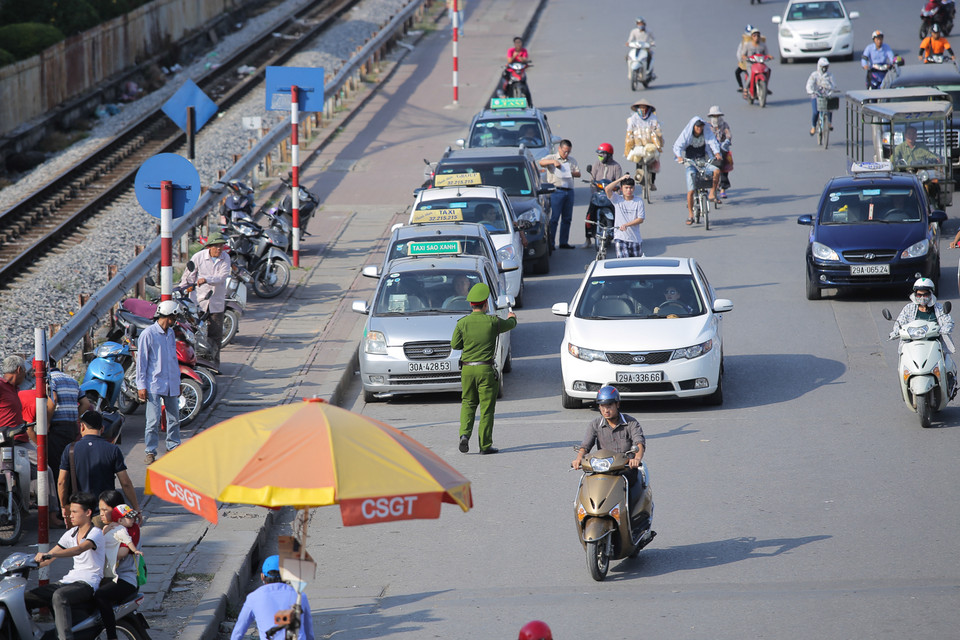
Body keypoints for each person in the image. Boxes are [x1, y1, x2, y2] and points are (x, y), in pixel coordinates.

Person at [25, 491, 105, 640]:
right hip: (68, 581)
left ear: (87, 513)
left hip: (87, 583)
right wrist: (27, 564)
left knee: (59, 596)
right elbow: (48, 558)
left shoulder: (96, 533)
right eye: (70, 512)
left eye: (75, 512)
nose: (70, 515)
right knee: (26, 598)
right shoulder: (71, 533)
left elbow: (79, 549)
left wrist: (52, 555)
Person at [451, 283, 517, 455]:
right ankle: (485, 445)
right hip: (485, 370)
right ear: (486, 303)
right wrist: (512, 316)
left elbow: (455, 345)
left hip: (467, 370)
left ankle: (464, 435)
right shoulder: (493, 322)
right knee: (487, 408)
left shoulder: (462, 323)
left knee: (468, 403)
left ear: (471, 304)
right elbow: (510, 324)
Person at [571, 386, 651, 520]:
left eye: (609, 405)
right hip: (603, 468)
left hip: (625, 469)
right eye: (602, 406)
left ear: (617, 404)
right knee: (587, 484)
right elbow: (585, 446)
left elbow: (639, 443)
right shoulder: (595, 424)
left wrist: (636, 458)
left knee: (628, 490)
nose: (605, 410)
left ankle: (628, 518)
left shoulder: (630, 423)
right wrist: (578, 458)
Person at [58, 410, 139, 527]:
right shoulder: (112, 449)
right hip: (104, 513)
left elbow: (62, 482)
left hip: (80, 512)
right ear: (102, 428)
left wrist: (64, 506)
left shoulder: (70, 450)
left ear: (82, 427)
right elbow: (125, 483)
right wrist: (136, 508)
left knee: (81, 544)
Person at [889, 278, 957, 395]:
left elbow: (948, 322)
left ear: (931, 294)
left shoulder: (939, 308)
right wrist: (896, 332)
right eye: (919, 295)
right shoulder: (908, 309)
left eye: (925, 294)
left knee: (946, 365)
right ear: (915, 295)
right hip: (912, 345)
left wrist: (943, 329)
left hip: (934, 344)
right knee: (902, 367)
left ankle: (949, 386)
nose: (922, 297)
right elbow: (899, 324)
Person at [135, 300, 181, 465]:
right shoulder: (148, 334)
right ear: (169, 316)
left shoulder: (170, 333)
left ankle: (173, 446)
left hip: (171, 383)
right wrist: (141, 385)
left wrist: (178, 381)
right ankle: (150, 450)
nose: (176, 320)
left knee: (174, 418)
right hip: (154, 384)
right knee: (153, 421)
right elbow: (142, 362)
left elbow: (173, 360)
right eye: (175, 317)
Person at [231, 555, 315, 640]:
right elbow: (309, 631)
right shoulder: (300, 597)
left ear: (262, 576)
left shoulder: (253, 597)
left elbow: (238, 631)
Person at [180, 231, 231, 369]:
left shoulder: (225, 258)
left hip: (216, 303)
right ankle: (195, 362)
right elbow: (188, 277)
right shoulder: (198, 257)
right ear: (209, 247)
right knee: (193, 334)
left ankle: (215, 364)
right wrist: (181, 289)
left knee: (215, 335)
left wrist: (206, 279)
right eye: (216, 246)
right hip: (198, 302)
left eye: (221, 246)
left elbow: (221, 277)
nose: (219, 249)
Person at [95, 493, 141, 640]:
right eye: (100, 510)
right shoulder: (109, 528)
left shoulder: (130, 529)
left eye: (105, 510)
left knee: (101, 595)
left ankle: (112, 636)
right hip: (109, 577)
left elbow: (122, 552)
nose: (101, 514)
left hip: (125, 579)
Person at [673, 116, 722, 225]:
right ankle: (691, 215)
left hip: (703, 161)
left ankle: (712, 193)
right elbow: (678, 146)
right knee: (691, 191)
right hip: (691, 163)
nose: (699, 129)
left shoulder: (706, 134)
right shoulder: (687, 135)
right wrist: (679, 156)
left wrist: (717, 153)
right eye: (697, 127)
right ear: (693, 127)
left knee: (716, 171)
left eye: (701, 127)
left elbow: (712, 142)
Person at [539, 139, 581, 249]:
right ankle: (551, 243)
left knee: (567, 218)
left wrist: (569, 172)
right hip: (556, 191)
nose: (566, 154)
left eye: (568, 152)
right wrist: (553, 163)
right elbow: (541, 162)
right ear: (559, 149)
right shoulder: (552, 158)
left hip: (569, 191)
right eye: (565, 151)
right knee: (554, 218)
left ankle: (563, 242)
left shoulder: (571, 160)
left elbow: (578, 173)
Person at [583, 142, 623, 249]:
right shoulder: (596, 164)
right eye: (599, 154)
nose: (600, 156)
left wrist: (616, 193)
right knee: (589, 215)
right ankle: (587, 239)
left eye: (602, 154)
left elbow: (619, 182)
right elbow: (592, 180)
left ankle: (619, 237)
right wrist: (594, 191)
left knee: (618, 215)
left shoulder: (616, 166)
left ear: (609, 155)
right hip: (598, 195)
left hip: (611, 196)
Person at [625, 98, 662, 191]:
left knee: (653, 160)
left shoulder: (653, 118)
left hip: (650, 143)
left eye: (644, 108)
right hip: (638, 143)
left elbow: (657, 131)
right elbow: (629, 132)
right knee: (637, 157)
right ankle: (639, 175)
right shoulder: (634, 118)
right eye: (641, 108)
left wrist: (658, 144)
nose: (643, 110)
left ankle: (652, 182)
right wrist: (629, 145)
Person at [603, 175, 645, 257]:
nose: (629, 190)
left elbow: (640, 219)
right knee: (624, 264)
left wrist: (627, 225)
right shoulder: (617, 199)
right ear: (621, 189)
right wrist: (620, 179)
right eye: (626, 188)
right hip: (620, 238)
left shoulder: (638, 201)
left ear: (634, 188)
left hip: (635, 239)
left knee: (635, 266)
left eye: (631, 188)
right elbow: (607, 189)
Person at [806, 57, 837, 136]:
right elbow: (809, 85)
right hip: (816, 96)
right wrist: (811, 91)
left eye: (826, 67)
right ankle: (813, 127)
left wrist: (831, 89)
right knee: (815, 112)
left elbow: (834, 85)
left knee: (830, 109)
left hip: (826, 95)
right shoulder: (814, 75)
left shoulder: (830, 75)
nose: (824, 68)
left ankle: (829, 123)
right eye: (823, 67)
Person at [707, 106, 733, 198]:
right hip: (711, 151)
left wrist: (726, 142)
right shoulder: (708, 126)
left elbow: (728, 135)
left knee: (725, 166)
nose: (716, 118)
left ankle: (723, 188)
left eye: (718, 116)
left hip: (723, 149)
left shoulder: (724, 125)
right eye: (714, 116)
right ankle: (712, 188)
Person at [741, 27, 772, 97]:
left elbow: (767, 54)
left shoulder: (763, 45)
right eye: (754, 35)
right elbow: (743, 55)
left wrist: (769, 57)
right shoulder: (748, 45)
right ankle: (745, 89)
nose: (756, 37)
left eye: (758, 35)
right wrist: (745, 58)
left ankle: (765, 86)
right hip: (751, 65)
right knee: (750, 74)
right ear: (752, 37)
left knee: (768, 71)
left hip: (760, 64)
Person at [626, 16, 655, 81]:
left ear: (644, 24)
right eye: (639, 24)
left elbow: (653, 39)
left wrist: (652, 43)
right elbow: (630, 39)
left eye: (641, 24)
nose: (640, 25)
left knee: (649, 56)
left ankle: (647, 70)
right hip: (636, 47)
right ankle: (630, 70)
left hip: (645, 48)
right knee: (628, 56)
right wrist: (628, 43)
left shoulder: (648, 31)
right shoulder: (634, 31)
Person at [735, 24, 758, 92]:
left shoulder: (757, 42)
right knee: (737, 72)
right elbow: (739, 53)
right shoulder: (742, 43)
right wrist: (741, 61)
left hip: (756, 62)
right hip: (745, 62)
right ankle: (741, 87)